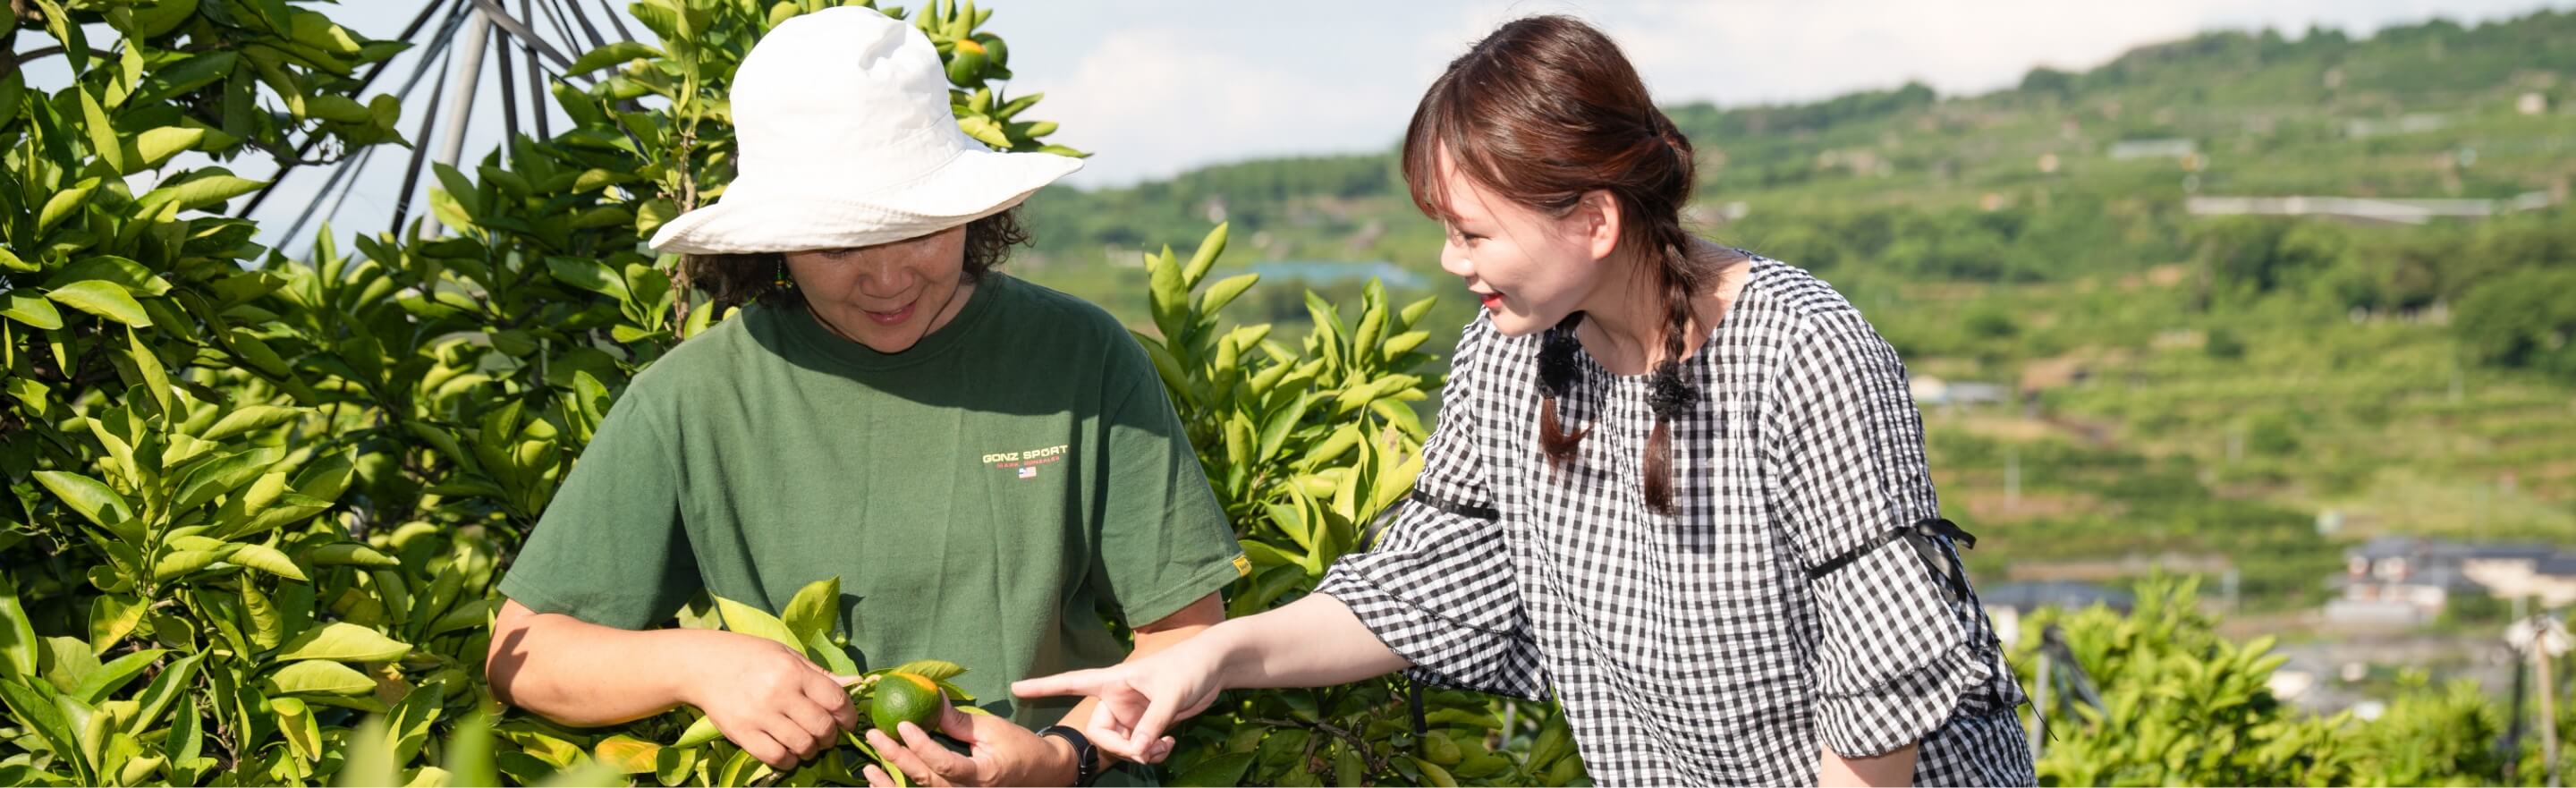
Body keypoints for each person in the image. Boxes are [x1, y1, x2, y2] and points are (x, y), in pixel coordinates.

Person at [1013, 15, 2035, 787]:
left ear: (1592, 218)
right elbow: (1421, 591)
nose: (1453, 261)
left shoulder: (1801, 351)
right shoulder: (1509, 362)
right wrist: (1210, 659)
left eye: (1473, 232)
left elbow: (1879, 690)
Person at [481, 8, 1244, 787]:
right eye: (839, 244)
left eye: (919, 230)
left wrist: (1062, 756)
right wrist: (696, 662)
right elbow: (528, 651)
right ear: (772, 240)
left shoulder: (1079, 355)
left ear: (969, 213)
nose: (887, 280)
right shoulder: (695, 398)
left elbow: (1183, 634)